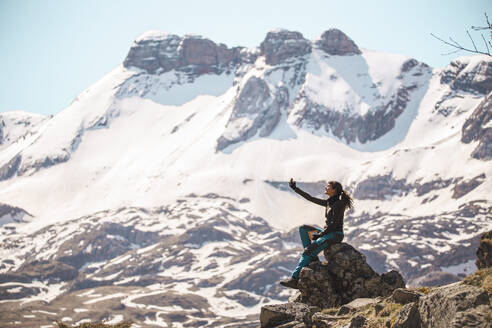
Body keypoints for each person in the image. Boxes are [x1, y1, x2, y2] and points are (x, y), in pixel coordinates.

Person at [279, 178, 354, 289]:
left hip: (335, 235)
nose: (325, 187)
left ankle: (294, 279)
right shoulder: (329, 202)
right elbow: (310, 198)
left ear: (334, 190)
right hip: (327, 233)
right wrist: (295, 188)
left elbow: (334, 224)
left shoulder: (339, 204)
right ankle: (312, 258)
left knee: (308, 251)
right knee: (303, 229)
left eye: (328, 186)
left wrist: (321, 235)